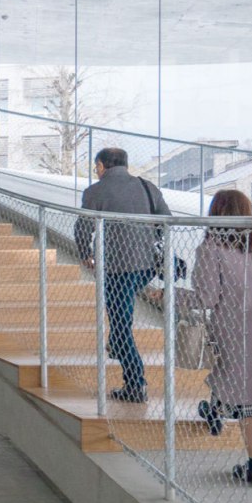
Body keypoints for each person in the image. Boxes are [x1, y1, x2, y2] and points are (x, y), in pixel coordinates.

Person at [154, 189, 252, 486]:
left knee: (246, 397)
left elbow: (205, 297)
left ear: (215, 214)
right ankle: (214, 410)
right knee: (245, 383)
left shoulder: (212, 247)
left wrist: (167, 294)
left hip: (235, 328)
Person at [74, 147, 168, 402]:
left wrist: (85, 254)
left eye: (96, 166)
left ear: (102, 165)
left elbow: (83, 228)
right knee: (120, 317)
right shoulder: (148, 187)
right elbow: (166, 221)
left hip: (116, 269)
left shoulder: (95, 192)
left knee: (120, 324)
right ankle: (116, 343)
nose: (96, 170)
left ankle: (135, 383)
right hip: (146, 266)